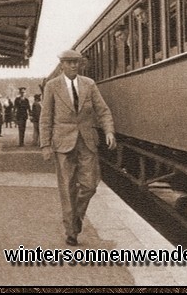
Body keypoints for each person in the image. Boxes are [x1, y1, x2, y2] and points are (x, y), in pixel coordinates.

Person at [40, 49, 117, 246]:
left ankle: (76, 217)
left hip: (87, 140)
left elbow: (103, 110)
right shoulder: (52, 86)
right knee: (66, 188)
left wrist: (109, 131)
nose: (74, 65)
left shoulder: (89, 84)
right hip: (62, 142)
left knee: (90, 185)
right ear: (62, 65)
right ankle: (71, 231)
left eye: (76, 62)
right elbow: (46, 117)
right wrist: (46, 144)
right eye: (69, 62)